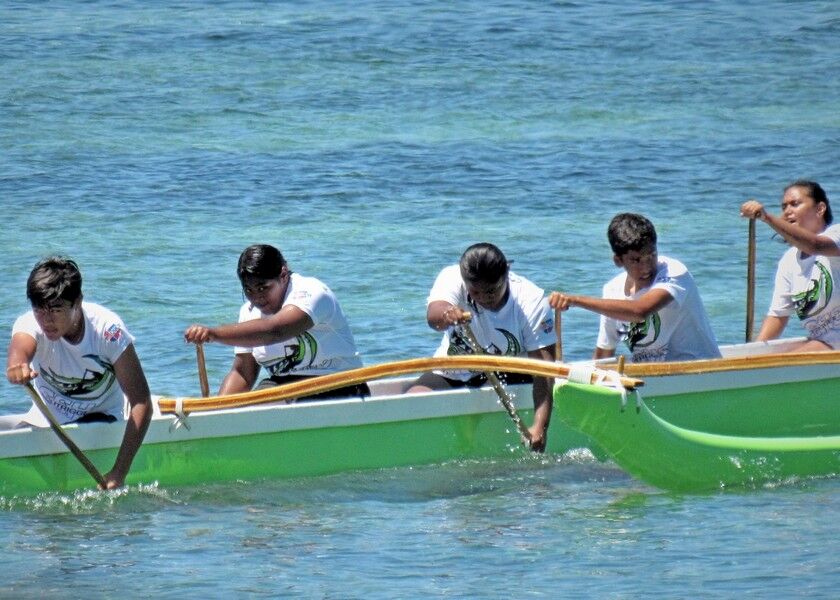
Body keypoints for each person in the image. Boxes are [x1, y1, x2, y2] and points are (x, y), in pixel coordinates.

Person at [5, 256, 152, 489]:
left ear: (78, 302)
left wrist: (119, 471)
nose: (46, 320)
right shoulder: (29, 324)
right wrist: (17, 368)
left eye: (55, 309)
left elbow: (142, 402)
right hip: (47, 419)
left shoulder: (108, 331)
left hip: (100, 418)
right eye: (39, 309)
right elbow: (19, 353)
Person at [407, 243, 556, 452]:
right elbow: (433, 317)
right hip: (458, 368)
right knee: (413, 399)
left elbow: (545, 373)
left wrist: (541, 427)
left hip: (512, 372)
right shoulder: (452, 277)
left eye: (492, 290)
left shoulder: (531, 302)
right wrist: (447, 313)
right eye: (475, 292)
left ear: (506, 274)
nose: (485, 298)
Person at [183, 244, 368, 399]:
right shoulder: (248, 313)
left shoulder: (312, 293)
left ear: (283, 275)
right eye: (248, 290)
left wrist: (213, 334)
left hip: (338, 384)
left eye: (263, 287)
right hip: (284, 386)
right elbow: (243, 374)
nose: (257, 298)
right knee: (245, 407)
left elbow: (274, 331)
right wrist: (216, 412)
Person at [549, 213, 721, 362]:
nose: (646, 267)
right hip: (652, 381)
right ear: (618, 260)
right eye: (636, 260)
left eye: (651, 255)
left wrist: (574, 300)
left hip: (698, 372)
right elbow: (603, 353)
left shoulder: (674, 272)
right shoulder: (612, 290)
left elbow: (639, 312)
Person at [740, 180, 839, 351]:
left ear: (820, 209)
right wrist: (751, 353)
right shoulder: (788, 261)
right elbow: (778, 316)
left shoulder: (836, 234)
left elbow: (815, 246)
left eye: (795, 204)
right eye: (784, 207)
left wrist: (766, 217)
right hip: (823, 343)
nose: (787, 212)